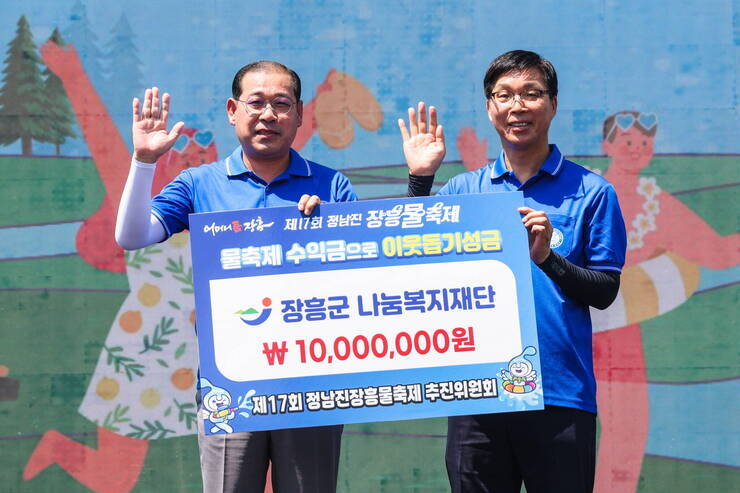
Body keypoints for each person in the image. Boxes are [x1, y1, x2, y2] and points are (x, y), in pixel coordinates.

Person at [115, 61, 357, 493]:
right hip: (230, 383)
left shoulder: (331, 187)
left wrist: (329, 231)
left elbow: (361, 279)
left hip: (312, 384)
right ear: (232, 110)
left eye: (281, 104)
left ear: (300, 114)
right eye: (256, 102)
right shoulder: (198, 183)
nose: (268, 115)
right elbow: (132, 236)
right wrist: (144, 162)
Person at [398, 50, 627, 493]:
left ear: (553, 104)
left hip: (560, 395)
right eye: (503, 95)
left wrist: (548, 259)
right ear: (490, 108)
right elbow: (416, 266)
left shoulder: (592, 191)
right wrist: (420, 181)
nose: (516, 106)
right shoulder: (464, 189)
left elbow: (604, 291)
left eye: (531, 94)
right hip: (478, 392)